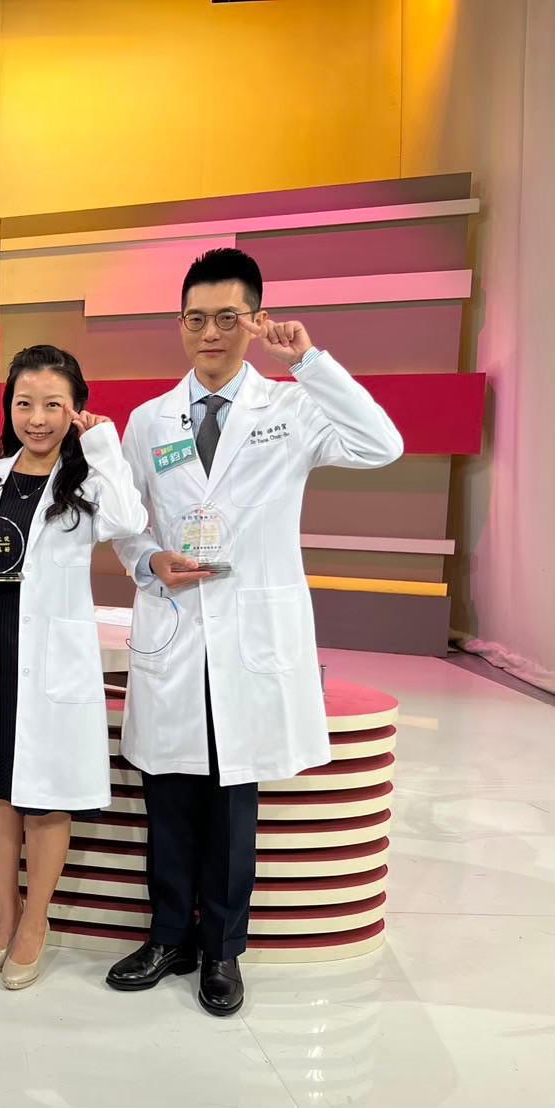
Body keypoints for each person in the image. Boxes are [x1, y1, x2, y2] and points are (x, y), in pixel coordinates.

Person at [108, 248, 403, 1015]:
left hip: (249, 632)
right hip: (175, 628)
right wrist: (148, 562)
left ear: (254, 322)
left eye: (226, 318)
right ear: (179, 324)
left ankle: (220, 950)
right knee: (168, 791)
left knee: (232, 797)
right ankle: (166, 936)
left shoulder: (292, 408)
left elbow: (382, 444)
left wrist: (309, 363)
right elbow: (126, 521)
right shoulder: (148, 420)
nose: (209, 333)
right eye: (195, 319)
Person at [0, 345, 146, 989]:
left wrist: (102, 443)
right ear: (9, 408)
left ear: (75, 411)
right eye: (25, 403)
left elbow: (130, 519)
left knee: (46, 796)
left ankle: (36, 920)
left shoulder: (89, 481)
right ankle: (5, 913)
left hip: (51, 659)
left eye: (54, 405)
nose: (38, 418)